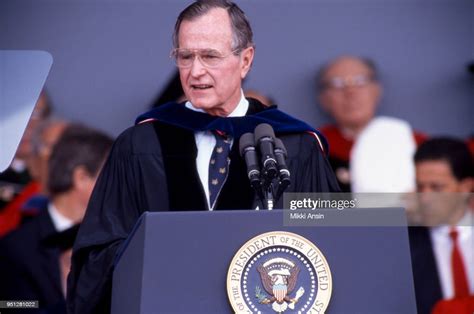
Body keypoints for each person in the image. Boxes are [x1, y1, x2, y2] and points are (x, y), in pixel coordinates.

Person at [67, 1, 339, 313]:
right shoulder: (139, 144)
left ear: (245, 60)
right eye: (185, 57)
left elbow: (329, 248)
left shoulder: (294, 144)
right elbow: (98, 256)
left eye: (209, 56)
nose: (195, 71)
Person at [0, 124, 113, 313]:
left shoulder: (110, 241)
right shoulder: (16, 248)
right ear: (82, 178)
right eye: (109, 175)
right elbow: (8, 305)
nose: (116, 185)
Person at [316, 56, 426, 191]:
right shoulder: (313, 147)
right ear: (324, 98)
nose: (351, 92)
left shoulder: (414, 143)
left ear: (377, 90)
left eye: (360, 81)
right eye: (338, 84)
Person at [409, 138, 473, 314]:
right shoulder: (403, 245)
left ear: (466, 187)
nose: (425, 198)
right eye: (420, 186)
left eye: (437, 188)